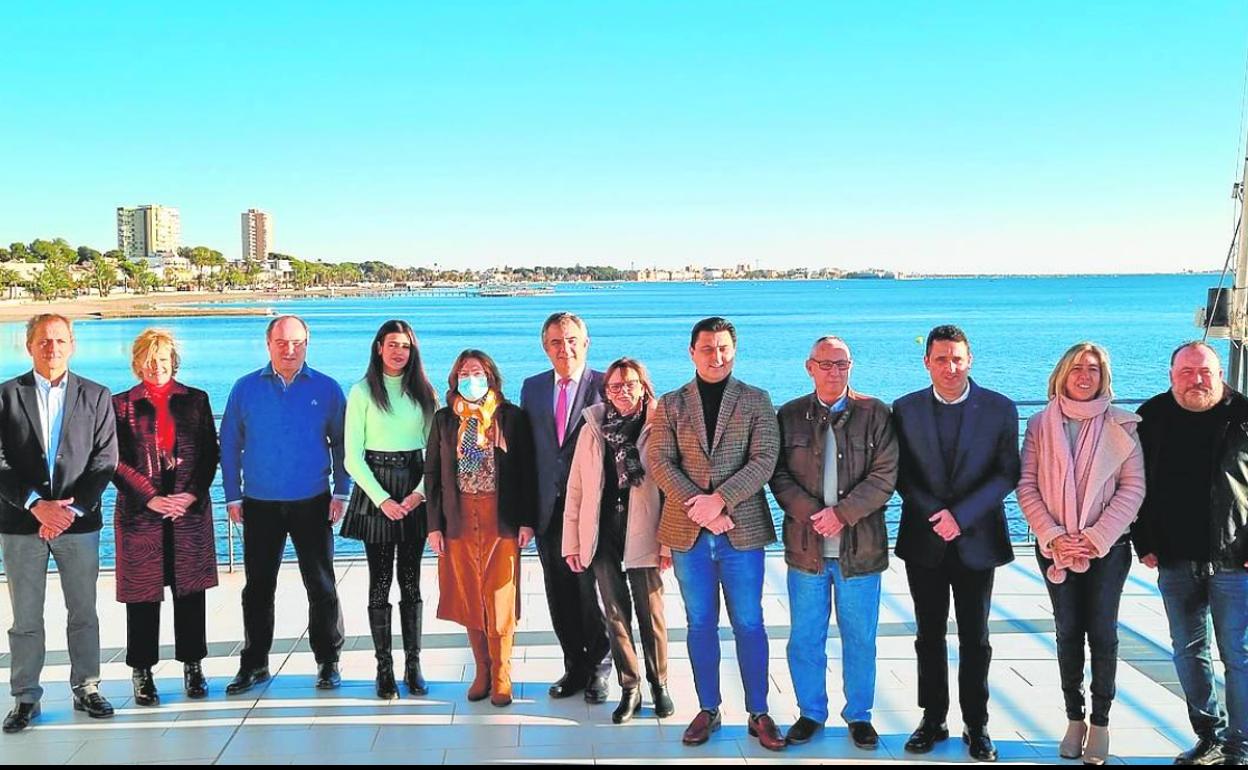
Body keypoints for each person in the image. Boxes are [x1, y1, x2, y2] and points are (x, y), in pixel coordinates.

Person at [647, 316, 785, 752]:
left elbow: (764, 459)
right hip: (688, 532)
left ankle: (759, 712)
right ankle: (708, 708)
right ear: (692, 352)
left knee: (749, 622)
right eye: (707, 348)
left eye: (723, 348)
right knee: (700, 623)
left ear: (734, 350)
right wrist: (703, 509)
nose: (716, 356)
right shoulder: (670, 403)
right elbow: (660, 462)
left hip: (741, 531)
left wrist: (721, 500)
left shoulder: (757, 400)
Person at [892, 324, 1020, 763]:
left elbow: (1007, 473)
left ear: (970, 360)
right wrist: (937, 516)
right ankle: (933, 718)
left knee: (976, 638)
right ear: (926, 362)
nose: (950, 367)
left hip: (977, 538)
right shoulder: (904, 408)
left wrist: (960, 517)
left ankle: (977, 724)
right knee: (928, 635)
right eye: (941, 359)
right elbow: (901, 474)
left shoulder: (1000, 408)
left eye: (957, 358)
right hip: (924, 538)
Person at [1017, 342, 1144, 764]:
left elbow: (1133, 488)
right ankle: (1075, 717)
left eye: (1092, 368)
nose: (1084, 376)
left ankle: (1101, 722)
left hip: (1108, 548)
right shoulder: (1039, 424)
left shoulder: (1123, 425)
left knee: (1103, 634)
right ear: (1062, 375)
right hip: (1054, 548)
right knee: (1068, 631)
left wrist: (1095, 536)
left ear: (1103, 376)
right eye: (1076, 369)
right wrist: (1053, 535)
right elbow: (1027, 485)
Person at [770, 336, 898, 750]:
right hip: (806, 551)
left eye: (841, 364)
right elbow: (778, 476)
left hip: (860, 551)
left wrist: (841, 514)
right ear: (809, 367)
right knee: (806, 637)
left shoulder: (876, 413)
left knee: (860, 637)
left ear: (851, 366)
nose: (833, 371)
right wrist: (814, 515)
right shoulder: (789, 415)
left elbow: (884, 476)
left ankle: (859, 716)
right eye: (825, 364)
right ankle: (811, 713)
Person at [0, 314, 119, 733]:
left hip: (78, 524)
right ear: (29, 345)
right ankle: (25, 697)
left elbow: (106, 460)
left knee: (83, 610)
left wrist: (69, 510)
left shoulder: (96, 395)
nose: (52, 348)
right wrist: (36, 505)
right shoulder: (5, 396)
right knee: (26, 617)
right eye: (44, 341)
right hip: (20, 522)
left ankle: (86, 687)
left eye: (60, 340)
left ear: (72, 345)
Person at [220, 315, 349, 694]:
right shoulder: (245, 388)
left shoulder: (326, 388)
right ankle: (255, 662)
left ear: (307, 343)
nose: (289, 349)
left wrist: (341, 491)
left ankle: (328, 661)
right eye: (281, 342)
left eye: (297, 342)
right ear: (268, 344)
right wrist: (232, 494)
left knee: (321, 584)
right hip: (259, 503)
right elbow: (229, 444)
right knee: (258, 588)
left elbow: (342, 444)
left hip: (313, 501)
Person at [1133, 341, 1248, 766]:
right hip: (1175, 561)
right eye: (1186, 372)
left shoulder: (1245, 416)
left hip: (1235, 561)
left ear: (1220, 375)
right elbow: (1135, 482)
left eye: (1204, 372)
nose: (1195, 380)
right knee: (1187, 651)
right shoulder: (1153, 415)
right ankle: (1208, 737)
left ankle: (1241, 745)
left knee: (1238, 655)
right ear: (1171, 375)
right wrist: (1142, 540)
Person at [112, 329, 221, 706]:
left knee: (190, 592)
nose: (156, 366)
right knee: (142, 597)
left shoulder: (196, 400)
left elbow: (210, 453)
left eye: (162, 359)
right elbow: (115, 462)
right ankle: (142, 672)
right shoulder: (120, 405)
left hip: (188, 514)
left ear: (173, 361)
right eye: (149, 359)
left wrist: (189, 495)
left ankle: (194, 667)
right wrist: (151, 498)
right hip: (141, 517)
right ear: (137, 362)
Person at [563, 357, 674, 724]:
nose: (622, 391)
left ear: (644, 386)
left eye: (630, 384)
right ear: (605, 390)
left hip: (647, 528)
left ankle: (660, 684)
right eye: (614, 386)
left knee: (651, 611)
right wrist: (572, 542)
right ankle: (631, 687)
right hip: (602, 530)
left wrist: (669, 542)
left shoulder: (661, 425)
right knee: (614, 611)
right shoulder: (593, 427)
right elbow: (576, 489)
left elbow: (673, 490)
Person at [426, 350, 537, 707]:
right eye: (464, 372)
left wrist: (526, 520)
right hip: (458, 516)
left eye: (477, 371)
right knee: (468, 593)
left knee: (500, 595)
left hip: (499, 515)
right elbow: (432, 476)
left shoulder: (510, 417)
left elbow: (526, 470)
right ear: (454, 378)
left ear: (490, 376)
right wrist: (434, 526)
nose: (470, 377)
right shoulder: (444, 420)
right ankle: (482, 670)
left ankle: (503, 672)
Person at [340, 320, 438, 699]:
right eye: (393, 345)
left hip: (415, 485)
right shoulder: (362, 391)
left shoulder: (424, 393)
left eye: (406, 346)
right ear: (379, 347)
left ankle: (414, 664)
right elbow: (352, 456)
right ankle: (385, 668)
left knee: (411, 582)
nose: (400, 352)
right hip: (375, 488)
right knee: (379, 583)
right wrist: (382, 499)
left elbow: (435, 453)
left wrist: (417, 495)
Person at [520, 312, 612, 703]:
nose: (565, 348)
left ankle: (600, 669)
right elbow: (527, 452)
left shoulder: (607, 385)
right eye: (556, 342)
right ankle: (574, 666)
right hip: (547, 510)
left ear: (586, 343)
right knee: (558, 592)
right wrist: (524, 516)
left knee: (591, 592)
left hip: (592, 510)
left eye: (572, 340)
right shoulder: (533, 388)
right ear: (545, 347)